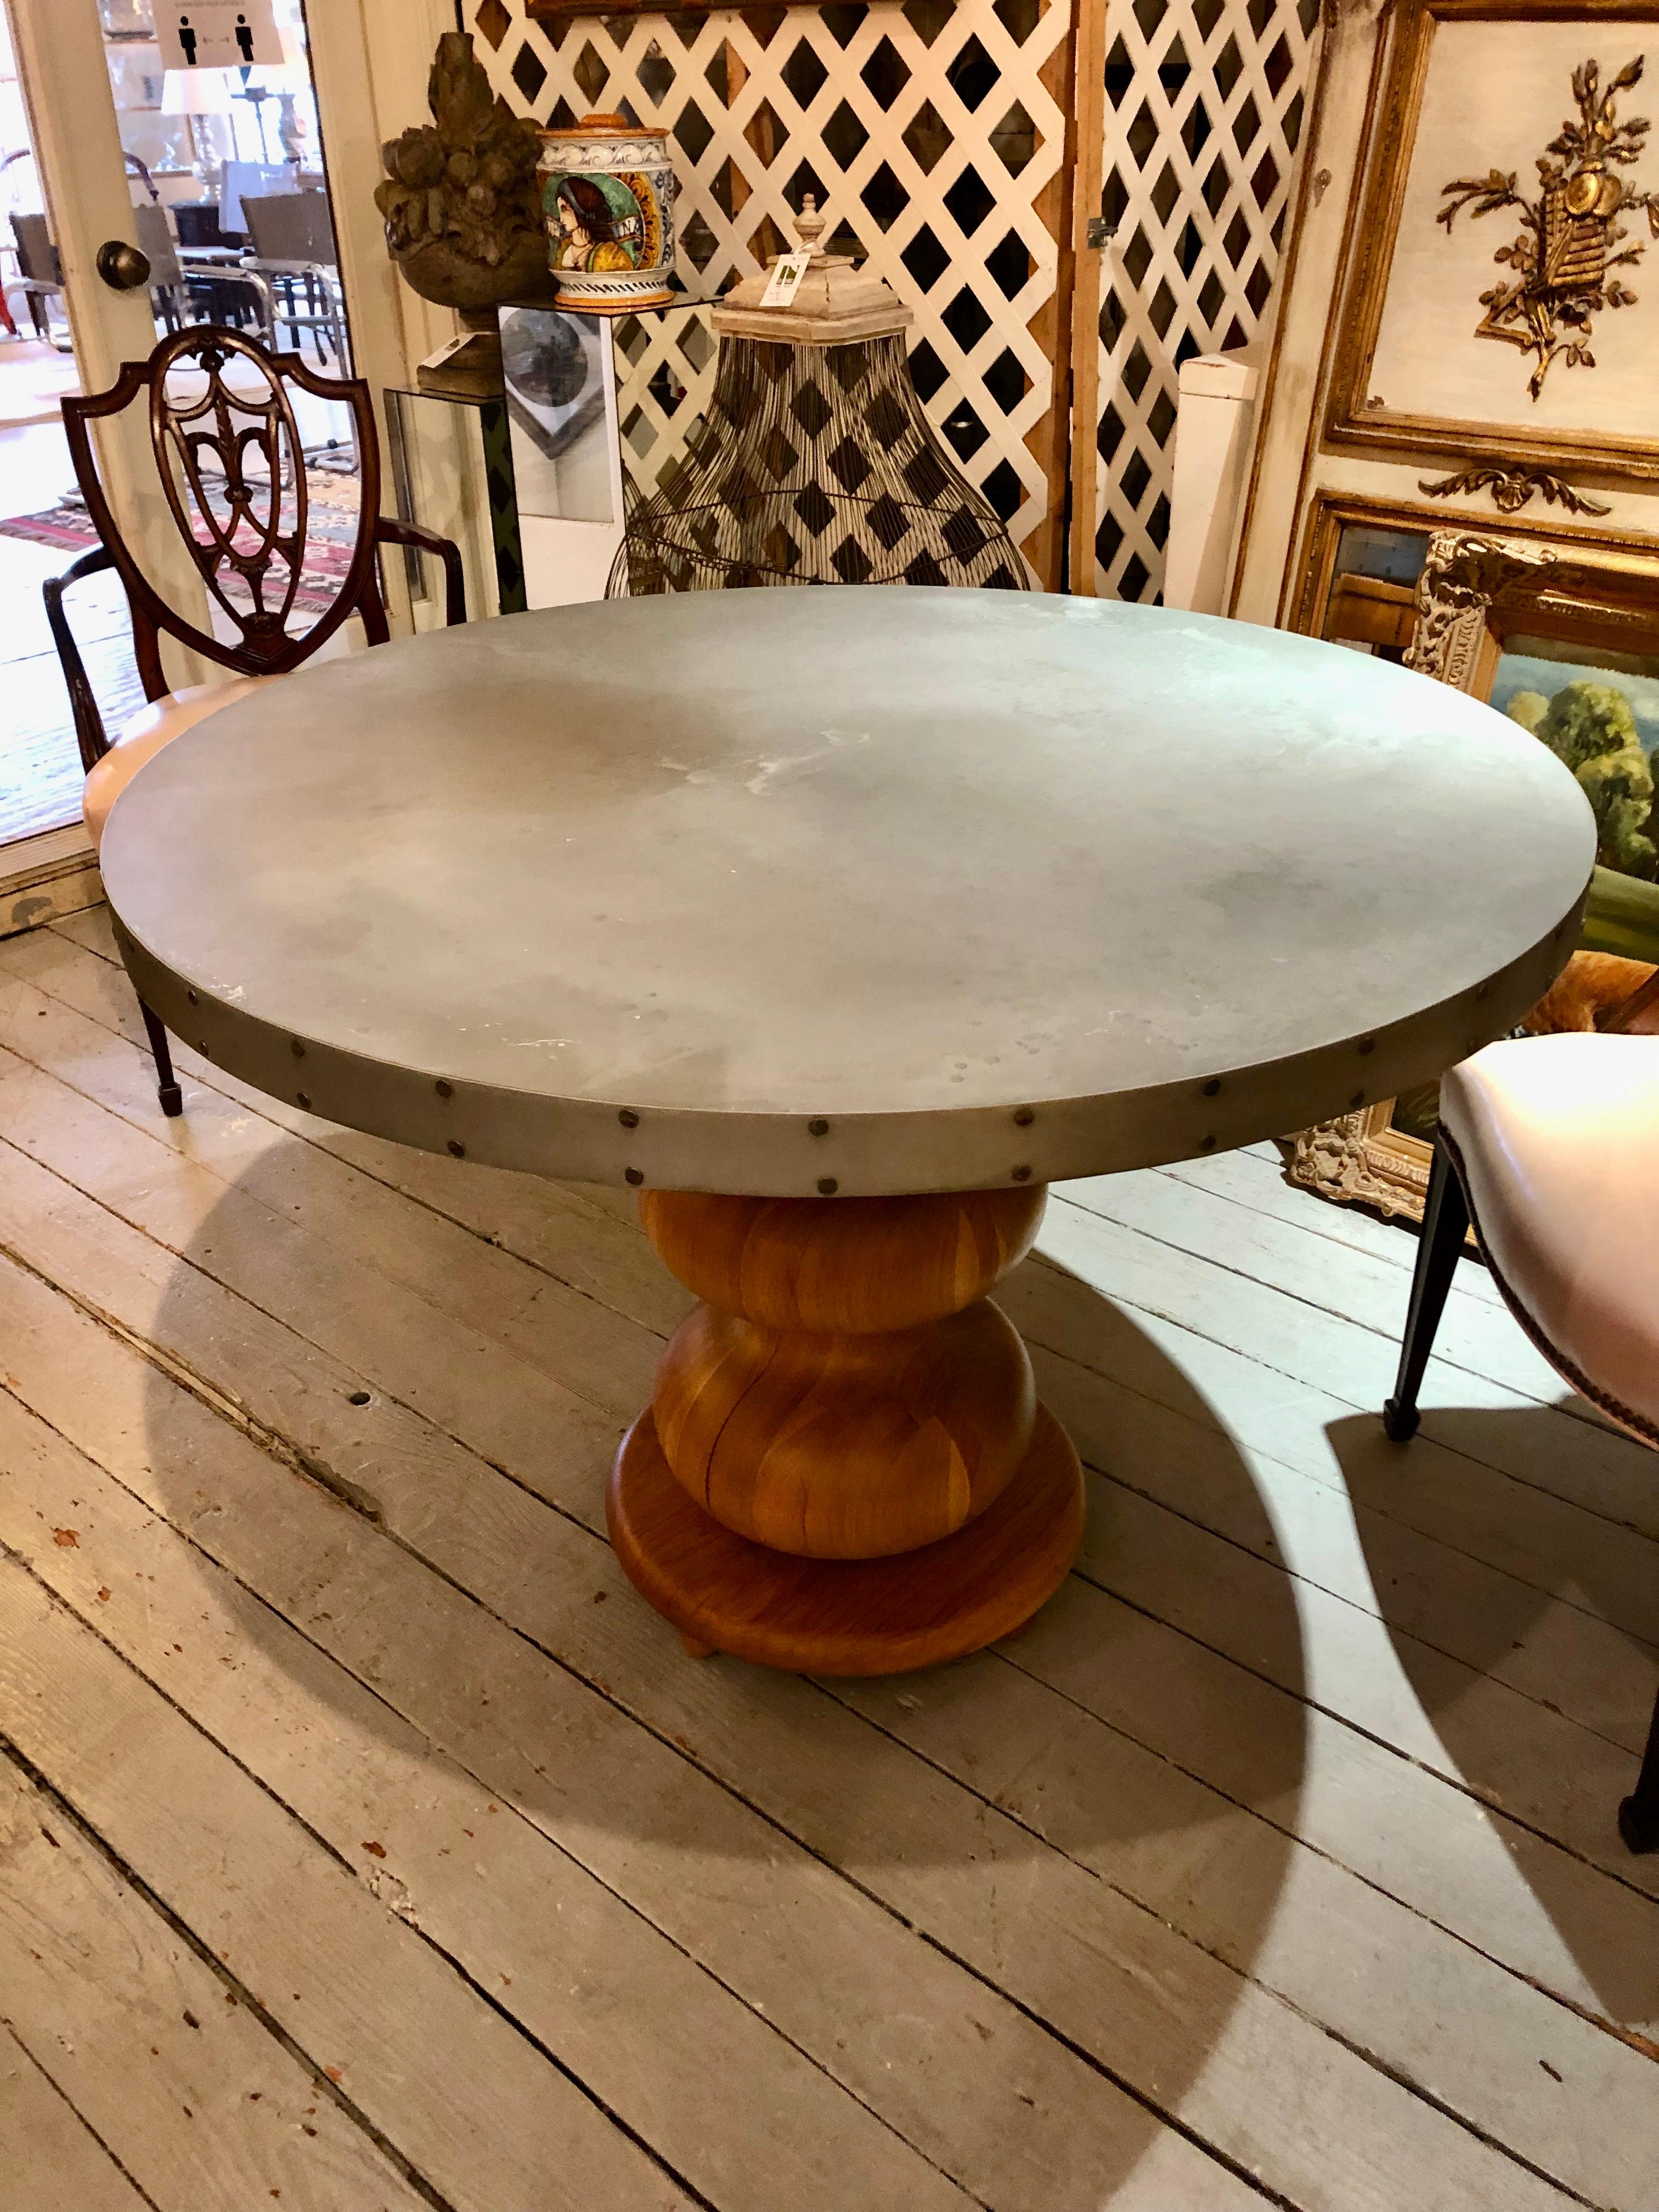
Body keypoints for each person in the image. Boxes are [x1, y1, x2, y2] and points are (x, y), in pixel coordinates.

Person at [550, 174, 639, 273]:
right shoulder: (563, 249)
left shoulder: (611, 255)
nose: (561, 219)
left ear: (579, 210)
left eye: (564, 210)